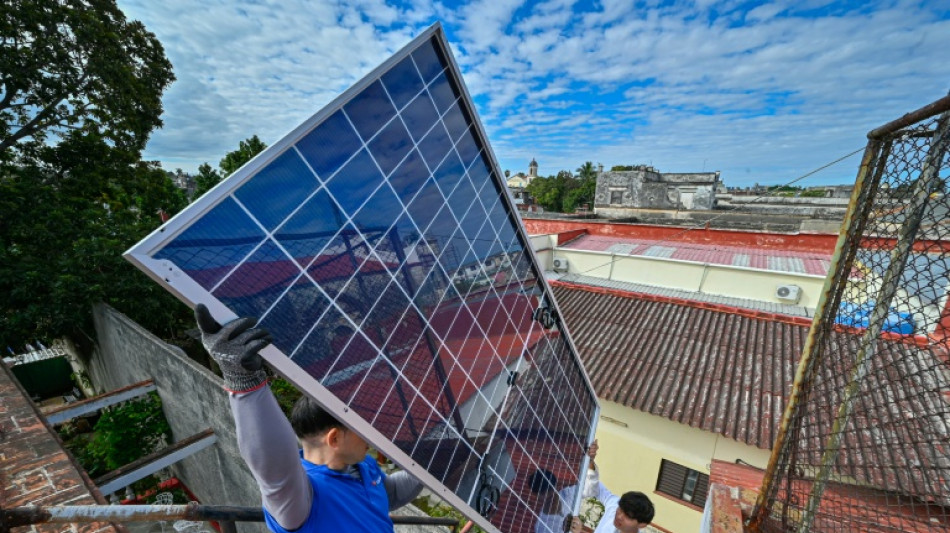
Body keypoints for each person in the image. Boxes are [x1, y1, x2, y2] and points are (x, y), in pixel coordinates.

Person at [195, 304, 423, 533]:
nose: (372, 437)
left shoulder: (362, 464)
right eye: (362, 429)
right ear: (334, 438)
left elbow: (388, 493)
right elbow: (275, 468)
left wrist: (438, 466)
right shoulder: (299, 500)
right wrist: (244, 382)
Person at [569, 442, 654, 533]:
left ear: (642, 524)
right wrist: (590, 461)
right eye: (620, 509)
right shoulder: (615, 505)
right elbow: (597, 489)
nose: (619, 516)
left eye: (628, 516)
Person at [531, 441, 601, 533]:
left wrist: (590, 460)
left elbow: (591, 486)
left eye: (550, 490)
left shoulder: (571, 493)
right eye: (543, 493)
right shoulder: (541, 526)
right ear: (537, 496)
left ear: (556, 486)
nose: (548, 495)